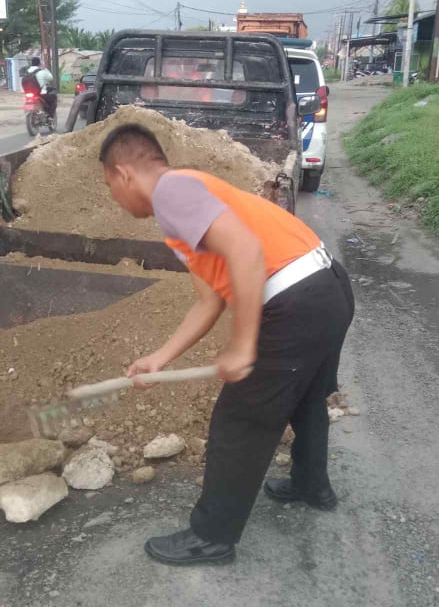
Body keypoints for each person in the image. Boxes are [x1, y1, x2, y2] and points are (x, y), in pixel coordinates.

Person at [100, 124, 355, 566]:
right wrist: (159, 359)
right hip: (327, 289)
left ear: (123, 173)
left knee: (239, 421)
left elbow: (247, 253)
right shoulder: (187, 201)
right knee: (306, 397)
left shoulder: (171, 192)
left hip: (297, 301)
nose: (114, 200)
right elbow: (211, 300)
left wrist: (243, 344)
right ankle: (312, 485)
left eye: (109, 187)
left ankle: (212, 536)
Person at [24, 56, 57, 120]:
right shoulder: (42, 71)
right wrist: (45, 68)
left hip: (28, 93)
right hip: (41, 93)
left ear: (32, 63)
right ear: (39, 63)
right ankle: (50, 116)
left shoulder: (27, 72)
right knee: (53, 100)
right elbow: (51, 78)